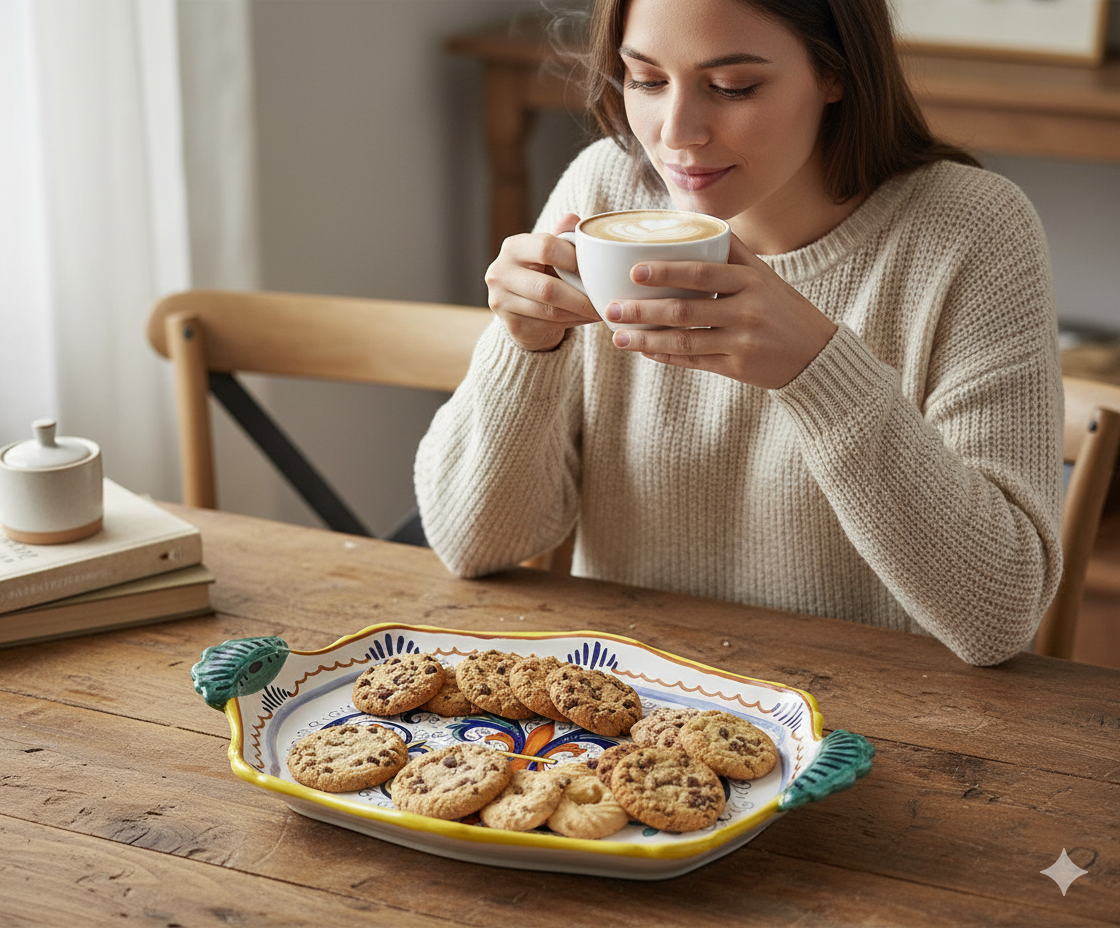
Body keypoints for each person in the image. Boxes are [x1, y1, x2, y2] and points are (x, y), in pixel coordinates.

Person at [415, 0, 1064, 666]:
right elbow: (472, 542)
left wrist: (820, 372)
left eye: (733, 88)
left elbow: (1000, 615)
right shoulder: (604, 190)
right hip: (626, 716)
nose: (676, 134)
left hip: (872, 728)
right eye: (645, 79)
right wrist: (526, 350)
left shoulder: (973, 231)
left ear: (835, 72)